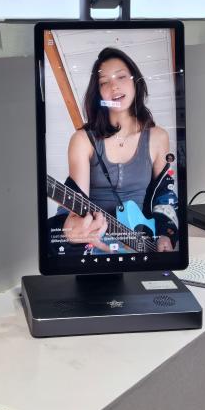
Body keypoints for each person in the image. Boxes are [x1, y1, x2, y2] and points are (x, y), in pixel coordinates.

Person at [53, 47, 179, 256]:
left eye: (121, 77)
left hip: (144, 242)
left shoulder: (158, 137)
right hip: (96, 244)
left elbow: (164, 195)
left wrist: (166, 234)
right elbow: (74, 203)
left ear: (136, 82)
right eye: (104, 82)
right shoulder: (82, 140)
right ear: (98, 93)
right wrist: (70, 229)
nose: (114, 86)